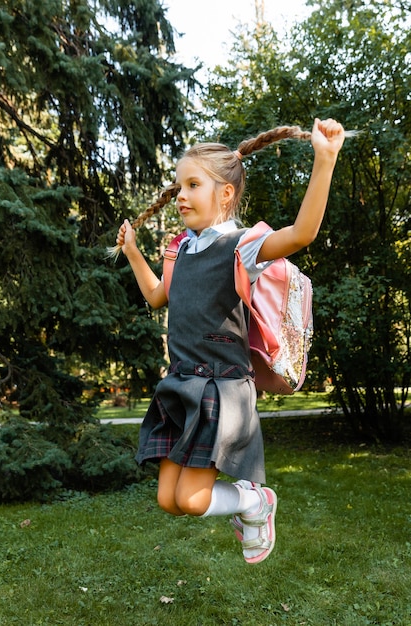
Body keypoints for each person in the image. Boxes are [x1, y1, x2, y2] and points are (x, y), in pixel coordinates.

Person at [114, 118, 345, 564]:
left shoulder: (243, 246)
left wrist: (325, 159)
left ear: (224, 193)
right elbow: (157, 296)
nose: (180, 195)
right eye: (178, 185)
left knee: (195, 501)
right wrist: (132, 252)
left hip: (221, 388)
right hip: (180, 385)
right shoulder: (181, 249)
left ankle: (255, 501)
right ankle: (248, 502)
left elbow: (302, 234)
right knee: (169, 500)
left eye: (193, 184)